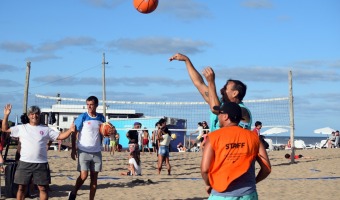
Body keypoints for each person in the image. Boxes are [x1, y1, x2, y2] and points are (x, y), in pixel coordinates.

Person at [2, 104, 75, 200]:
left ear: (39, 115)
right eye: (32, 114)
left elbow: (60, 136)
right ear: (28, 115)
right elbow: (5, 129)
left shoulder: (45, 129)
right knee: (21, 188)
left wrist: (70, 130)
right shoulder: (22, 127)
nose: (34, 116)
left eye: (36, 114)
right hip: (24, 163)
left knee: (43, 188)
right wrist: (6, 115)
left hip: (41, 163)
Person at [201, 102, 271, 199]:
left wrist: (209, 184)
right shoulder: (254, 137)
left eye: (219, 114)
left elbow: (205, 169)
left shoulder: (213, 137)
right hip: (248, 194)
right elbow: (266, 169)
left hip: (221, 193)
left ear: (225, 116)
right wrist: (254, 182)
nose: (218, 117)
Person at [169, 53, 252, 131]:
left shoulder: (242, 111)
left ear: (235, 93)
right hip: (217, 144)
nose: (222, 90)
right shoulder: (219, 102)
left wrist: (211, 82)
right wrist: (186, 60)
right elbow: (199, 83)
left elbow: (215, 109)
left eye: (225, 88)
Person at [68, 96, 105, 200]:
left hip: (97, 151)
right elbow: (73, 132)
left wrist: (112, 132)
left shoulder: (101, 118)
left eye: (91, 104)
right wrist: (73, 149)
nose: (89, 106)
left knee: (94, 179)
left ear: (96, 105)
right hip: (83, 150)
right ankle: (74, 192)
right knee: (84, 176)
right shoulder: (83, 117)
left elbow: (105, 132)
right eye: (87, 104)